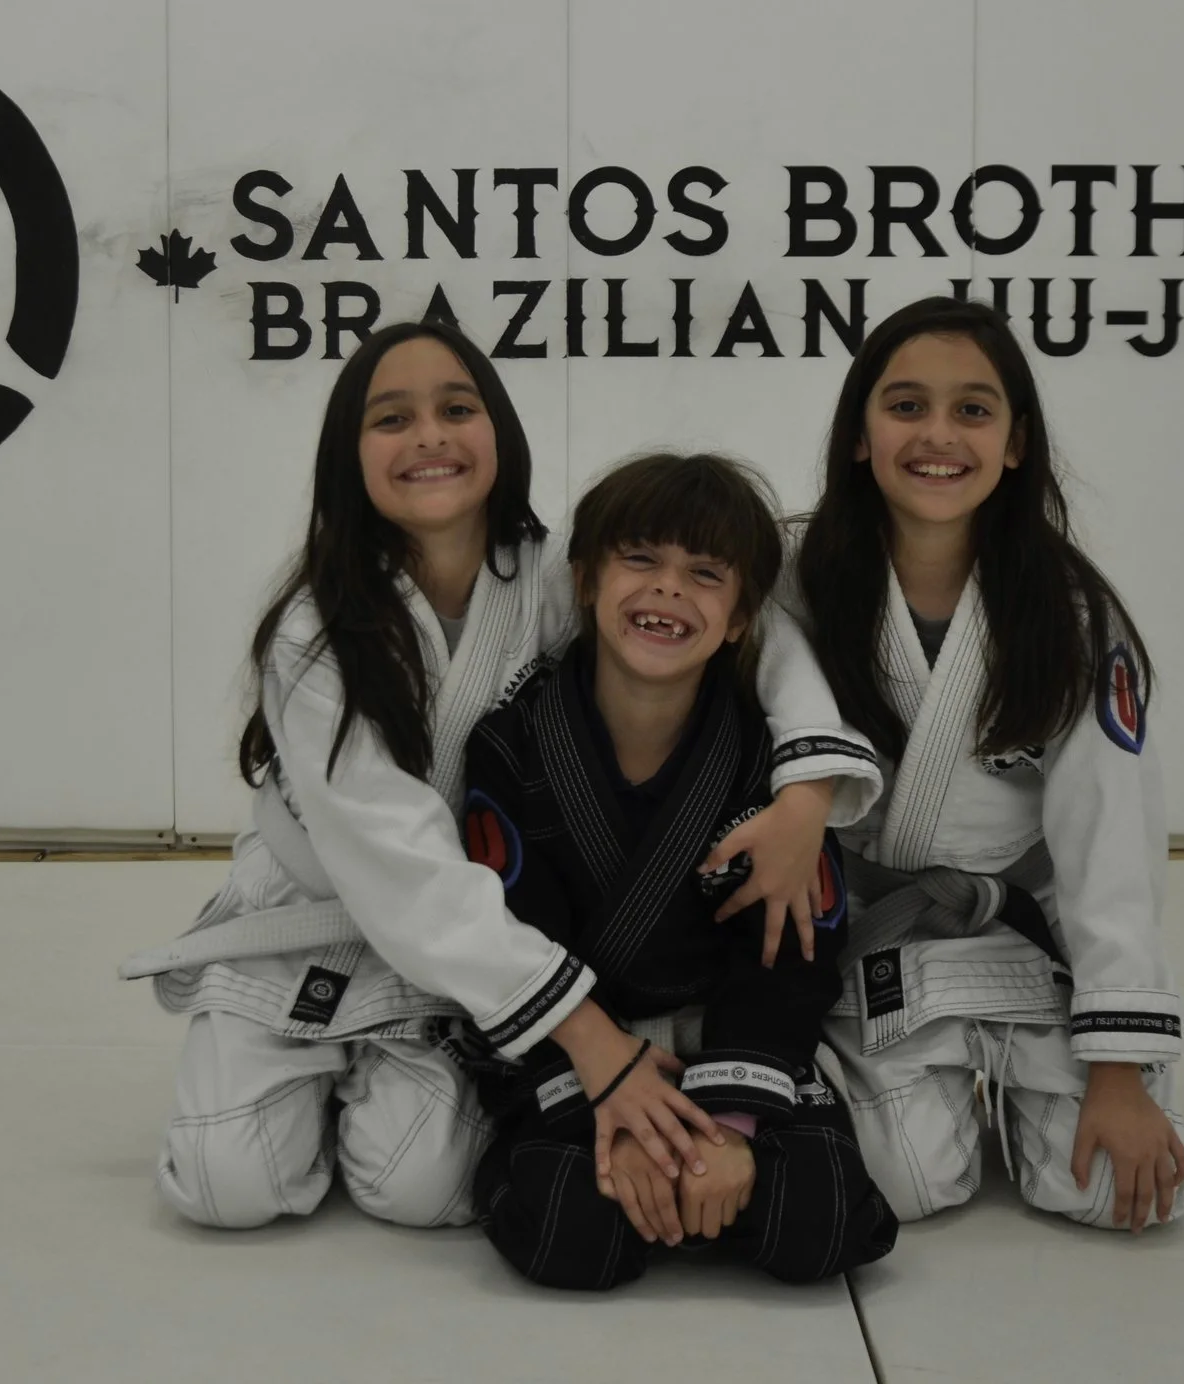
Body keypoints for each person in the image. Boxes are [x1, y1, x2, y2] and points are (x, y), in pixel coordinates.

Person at [118, 322, 880, 1230]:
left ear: (500, 433)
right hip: (324, 919)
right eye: (391, 419)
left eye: (457, 408)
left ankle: (379, 1076)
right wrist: (596, 1044)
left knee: (424, 1193)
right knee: (225, 1189)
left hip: (473, 941)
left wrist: (803, 796)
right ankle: (274, 1068)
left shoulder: (553, 575)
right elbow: (400, 867)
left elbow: (759, 636)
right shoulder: (316, 634)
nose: (430, 436)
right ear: (345, 458)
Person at [793, 297, 1184, 1233]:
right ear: (860, 435)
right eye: (905, 407)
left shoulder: (1072, 618)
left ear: (1017, 443)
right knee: (905, 1187)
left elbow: (1111, 846)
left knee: (1109, 1190)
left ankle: (1044, 1067)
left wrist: (1119, 1066)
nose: (939, 435)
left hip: (1019, 926)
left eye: (973, 410)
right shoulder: (793, 579)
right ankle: (911, 1075)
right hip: (872, 925)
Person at [462, 452, 900, 1291]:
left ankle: (707, 1171)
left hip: (726, 1036)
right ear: (585, 581)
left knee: (819, 1222)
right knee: (570, 1233)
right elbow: (510, 938)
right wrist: (619, 1110)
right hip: (577, 1043)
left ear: (741, 619)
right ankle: (642, 1176)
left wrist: (730, 1125)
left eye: (704, 573)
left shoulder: (774, 770)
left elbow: (793, 951)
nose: (668, 591)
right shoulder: (512, 746)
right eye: (640, 560)